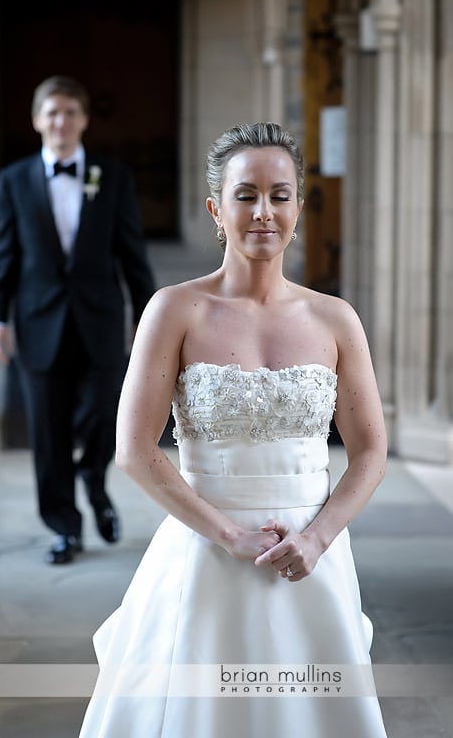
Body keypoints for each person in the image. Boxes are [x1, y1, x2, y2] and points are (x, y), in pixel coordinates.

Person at [78, 123, 388, 736]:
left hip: (312, 557)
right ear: (217, 209)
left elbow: (372, 449)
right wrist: (230, 537)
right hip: (205, 552)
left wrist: (319, 537)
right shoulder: (174, 309)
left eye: (280, 194)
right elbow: (135, 451)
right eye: (246, 195)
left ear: (299, 205)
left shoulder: (335, 319)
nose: (264, 212)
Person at [0, 75, 155, 565]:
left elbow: (132, 254)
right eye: (52, 112)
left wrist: (147, 319)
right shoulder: (13, 181)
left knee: (107, 418)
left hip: (100, 320)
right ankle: (64, 526)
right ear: (38, 120)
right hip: (38, 323)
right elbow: (4, 255)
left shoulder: (113, 177)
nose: (61, 121)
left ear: (84, 119)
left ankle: (95, 484)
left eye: (70, 112)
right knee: (47, 431)